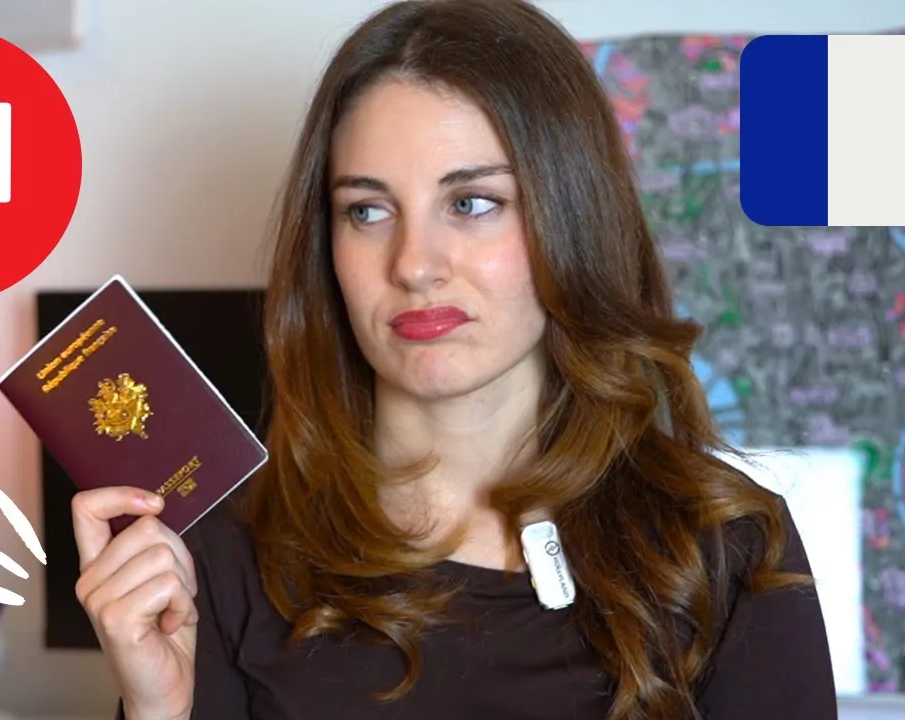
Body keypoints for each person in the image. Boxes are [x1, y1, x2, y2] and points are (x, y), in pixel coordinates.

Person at [71, 1, 838, 718]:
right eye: (368, 211)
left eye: (471, 203)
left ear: (571, 219)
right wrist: (158, 711)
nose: (414, 264)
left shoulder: (726, 547)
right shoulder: (222, 556)